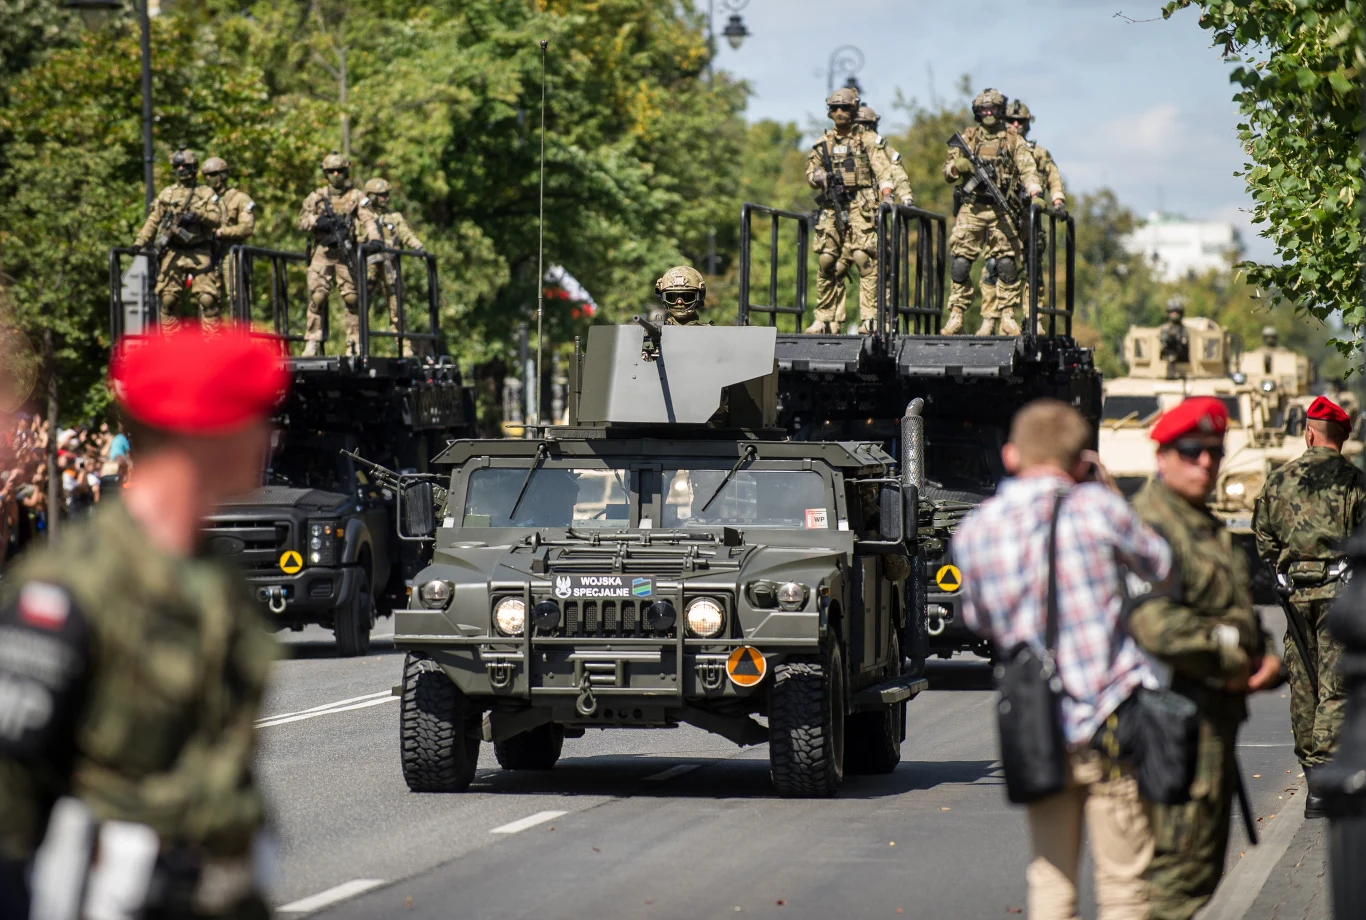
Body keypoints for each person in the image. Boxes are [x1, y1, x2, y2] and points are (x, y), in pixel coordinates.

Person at [0, 324, 289, 918]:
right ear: (201, 434)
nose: (270, 437)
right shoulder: (72, 587)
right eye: (254, 417)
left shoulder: (215, 581)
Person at [955, 399, 1167, 920]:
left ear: (1010, 455)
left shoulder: (977, 529)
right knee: (1125, 885)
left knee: (1050, 878)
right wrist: (1104, 485)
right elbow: (1160, 565)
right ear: (1081, 461)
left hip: (1040, 725)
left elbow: (979, 620)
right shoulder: (1099, 509)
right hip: (1111, 720)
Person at [1128, 396, 1282, 920]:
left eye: (1214, 453)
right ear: (1163, 455)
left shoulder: (1203, 524)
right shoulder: (1149, 526)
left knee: (1199, 873)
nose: (1206, 464)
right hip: (1169, 723)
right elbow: (1158, 626)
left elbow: (1235, 611)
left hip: (1211, 724)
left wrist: (1267, 654)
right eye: (1192, 451)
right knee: (1173, 882)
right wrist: (1236, 656)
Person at [1253, 394, 1366, 818]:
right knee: (1335, 685)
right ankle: (1324, 780)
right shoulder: (1354, 482)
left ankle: (1312, 775)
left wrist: (1286, 568)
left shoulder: (1279, 479)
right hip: (1340, 592)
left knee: (1304, 684)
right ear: (1343, 437)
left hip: (1294, 593)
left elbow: (1263, 538)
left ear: (1308, 432)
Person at [941, 89, 1043, 336]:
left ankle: (1007, 316)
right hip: (973, 207)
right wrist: (958, 167)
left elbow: (1028, 168)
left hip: (1001, 209)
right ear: (977, 112)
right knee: (960, 264)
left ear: (1000, 110)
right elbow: (947, 171)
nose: (988, 113)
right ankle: (956, 315)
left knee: (1006, 263)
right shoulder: (968, 138)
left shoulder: (1012, 139)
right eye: (984, 109)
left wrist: (1035, 192)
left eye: (994, 108)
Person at [804, 87, 898, 335]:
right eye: (835, 108)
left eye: (845, 107)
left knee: (863, 258)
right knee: (826, 261)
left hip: (862, 204)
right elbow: (811, 172)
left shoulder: (867, 140)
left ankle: (870, 318)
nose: (840, 112)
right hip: (833, 205)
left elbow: (884, 171)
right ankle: (824, 318)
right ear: (829, 112)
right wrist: (818, 176)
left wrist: (887, 196)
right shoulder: (823, 143)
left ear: (854, 109)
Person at [986, 100, 1065, 334]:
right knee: (994, 268)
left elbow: (1053, 176)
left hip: (1028, 218)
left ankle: (1034, 318)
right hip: (1001, 220)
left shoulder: (1038, 153)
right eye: (1011, 120)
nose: (1016, 124)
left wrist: (1058, 200)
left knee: (1033, 269)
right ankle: (992, 318)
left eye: (1021, 121)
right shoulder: (1000, 148)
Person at [132, 147, 224, 334]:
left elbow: (216, 218)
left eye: (186, 166)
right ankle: (170, 343)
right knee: (167, 299)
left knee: (208, 299)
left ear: (194, 168)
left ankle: (212, 341)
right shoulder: (167, 194)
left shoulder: (205, 193)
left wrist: (198, 215)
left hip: (199, 250)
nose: (182, 170)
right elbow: (153, 220)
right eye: (178, 167)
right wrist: (139, 242)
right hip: (173, 251)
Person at [296, 151, 380, 356]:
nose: (336, 174)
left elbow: (368, 218)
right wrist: (317, 221)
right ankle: (313, 340)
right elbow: (301, 221)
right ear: (325, 173)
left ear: (346, 172)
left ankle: (354, 343)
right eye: (331, 171)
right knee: (318, 295)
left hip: (346, 252)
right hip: (322, 252)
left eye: (340, 170)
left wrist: (375, 238)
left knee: (352, 299)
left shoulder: (356, 196)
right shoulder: (317, 197)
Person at [361, 177, 425, 355]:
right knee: (361, 303)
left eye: (387, 195)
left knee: (396, 304)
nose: (386, 198)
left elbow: (406, 234)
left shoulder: (394, 217)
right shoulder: (363, 217)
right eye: (381, 195)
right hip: (369, 263)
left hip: (390, 265)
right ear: (372, 196)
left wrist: (418, 247)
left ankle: (403, 345)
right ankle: (357, 344)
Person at [203, 156, 256, 313]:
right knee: (207, 298)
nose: (208, 178)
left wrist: (222, 232)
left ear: (222, 176)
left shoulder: (239, 198)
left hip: (231, 253)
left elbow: (247, 227)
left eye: (212, 174)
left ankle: (241, 334)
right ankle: (211, 336)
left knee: (237, 297)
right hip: (209, 253)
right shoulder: (203, 200)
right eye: (205, 175)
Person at [1158, 298, 1190, 366]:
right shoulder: (1164, 330)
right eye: (1172, 312)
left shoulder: (1184, 330)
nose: (1174, 314)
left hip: (1183, 363)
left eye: (1176, 312)